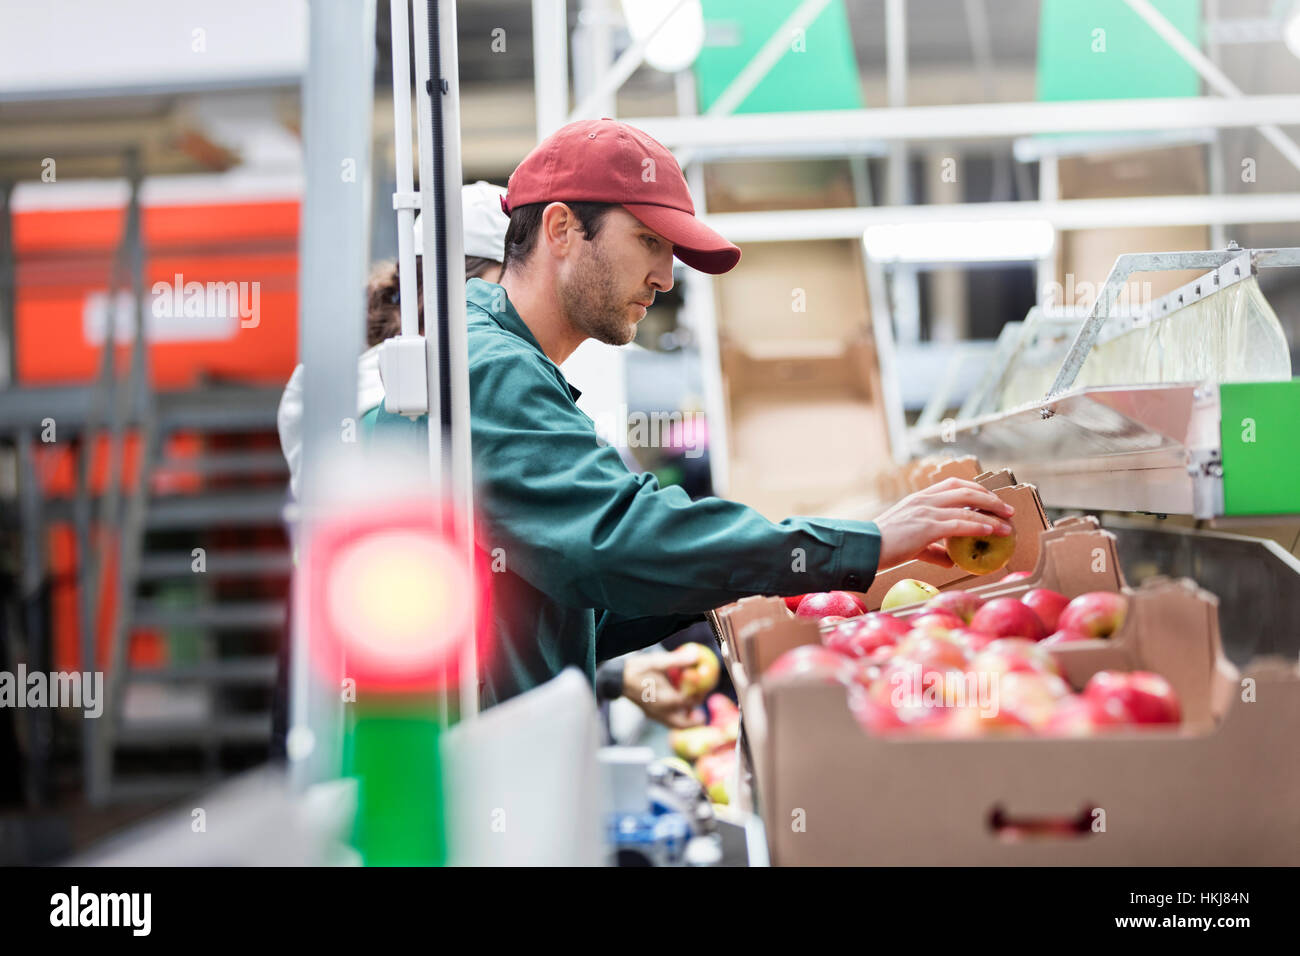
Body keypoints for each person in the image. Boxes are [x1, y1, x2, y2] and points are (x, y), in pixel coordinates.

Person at [367, 118, 1015, 719]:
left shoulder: (488, 356)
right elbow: (618, 543)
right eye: (648, 241)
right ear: (561, 228)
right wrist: (858, 544)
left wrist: (745, 574)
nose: (665, 278)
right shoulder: (490, 366)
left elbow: (576, 595)